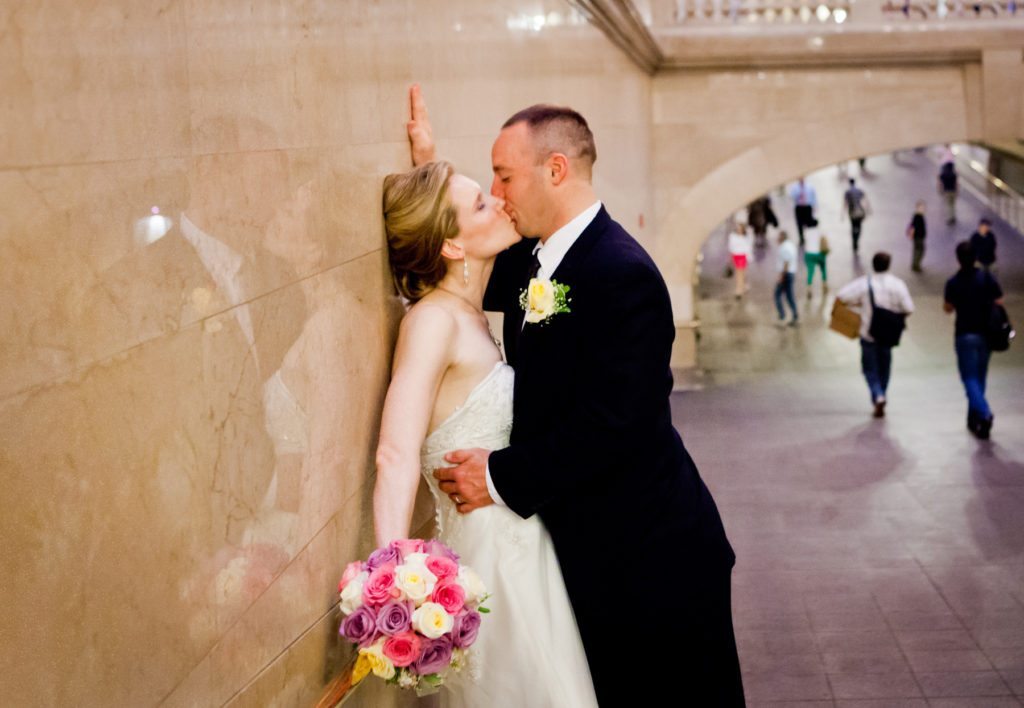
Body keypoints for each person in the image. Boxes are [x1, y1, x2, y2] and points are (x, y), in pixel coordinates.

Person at [415, 94, 744, 705]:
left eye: (505, 176)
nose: (498, 190)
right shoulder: (539, 262)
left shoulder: (622, 272)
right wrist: (429, 179)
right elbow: (463, 252)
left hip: (653, 560)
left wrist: (498, 474)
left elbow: (615, 424)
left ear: (556, 170)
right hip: (597, 554)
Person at [375, 155, 599, 706]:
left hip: (528, 551)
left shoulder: (470, 315)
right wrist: (394, 580)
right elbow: (394, 454)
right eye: (481, 202)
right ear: (451, 246)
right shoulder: (431, 321)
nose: (498, 201)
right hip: (490, 564)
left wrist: (428, 157)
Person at [836, 252, 915, 418]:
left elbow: (842, 296)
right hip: (889, 335)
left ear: (873, 265)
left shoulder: (865, 283)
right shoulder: (898, 284)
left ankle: (877, 395)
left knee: (869, 368)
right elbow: (909, 308)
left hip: (868, 333)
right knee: (885, 368)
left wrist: (859, 303)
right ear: (889, 265)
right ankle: (882, 395)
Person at [944, 241, 1004, 439]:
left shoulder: (953, 282)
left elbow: (948, 308)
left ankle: (984, 413)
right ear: (976, 257)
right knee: (980, 377)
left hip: (965, 334)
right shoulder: (987, 277)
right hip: (986, 334)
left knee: (969, 378)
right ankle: (973, 418)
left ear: (958, 259)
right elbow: (999, 300)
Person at [774, 230, 799, 325]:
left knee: (777, 295)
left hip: (786, 274)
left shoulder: (784, 247)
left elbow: (786, 262)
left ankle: (782, 315)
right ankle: (794, 315)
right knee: (789, 296)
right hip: (791, 273)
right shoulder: (790, 245)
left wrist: (781, 276)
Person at [728, 217, 753, 299]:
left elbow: (748, 248)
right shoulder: (733, 237)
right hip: (736, 256)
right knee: (739, 273)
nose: (739, 230)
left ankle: (740, 289)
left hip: (743, 256)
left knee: (741, 273)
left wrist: (749, 258)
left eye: (740, 228)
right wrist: (730, 258)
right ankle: (740, 289)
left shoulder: (745, 238)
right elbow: (731, 247)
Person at [842, 177, 870, 252]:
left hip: (852, 212)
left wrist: (843, 214)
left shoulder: (847, 192)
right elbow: (865, 201)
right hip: (860, 212)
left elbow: (845, 204)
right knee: (859, 226)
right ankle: (857, 239)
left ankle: (854, 240)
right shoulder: (859, 191)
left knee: (853, 226)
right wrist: (868, 210)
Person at [803, 219, 829, 298]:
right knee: (823, 269)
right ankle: (824, 285)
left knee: (810, 272)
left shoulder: (806, 232)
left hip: (809, 254)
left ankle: (809, 288)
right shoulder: (820, 231)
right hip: (820, 254)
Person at [789, 177, 817, 246]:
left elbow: (813, 196)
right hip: (799, 207)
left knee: (809, 222)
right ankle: (801, 238)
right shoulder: (795, 187)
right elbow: (791, 196)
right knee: (799, 223)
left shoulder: (809, 186)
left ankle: (811, 237)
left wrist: (814, 205)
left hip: (807, 207)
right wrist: (798, 194)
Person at [907, 200, 927, 272]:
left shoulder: (919, 216)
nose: (923, 209)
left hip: (918, 237)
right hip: (918, 237)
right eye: (921, 208)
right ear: (917, 208)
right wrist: (911, 235)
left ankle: (915, 264)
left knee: (916, 250)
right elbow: (913, 227)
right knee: (919, 250)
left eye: (923, 208)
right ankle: (916, 265)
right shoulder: (918, 216)